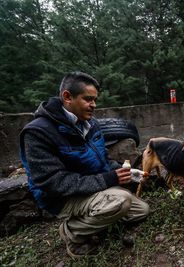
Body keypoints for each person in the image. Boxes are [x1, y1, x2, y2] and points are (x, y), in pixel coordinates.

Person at [19, 71, 150, 258]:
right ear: (67, 97)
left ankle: (95, 220)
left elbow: (102, 159)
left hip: (91, 187)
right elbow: (52, 182)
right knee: (121, 200)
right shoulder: (38, 132)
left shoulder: (90, 123)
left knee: (141, 211)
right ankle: (72, 231)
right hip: (62, 198)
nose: (93, 105)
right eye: (88, 99)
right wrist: (108, 179)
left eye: (95, 100)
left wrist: (122, 170)